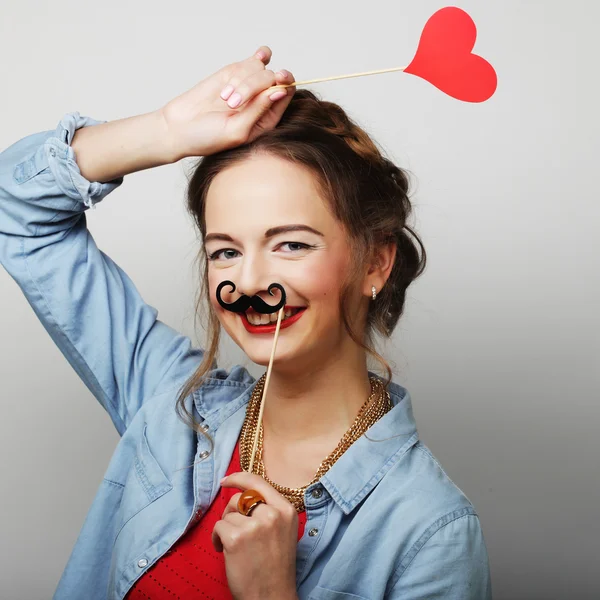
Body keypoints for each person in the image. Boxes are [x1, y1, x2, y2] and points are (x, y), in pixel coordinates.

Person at [0, 46, 492, 599]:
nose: (252, 282)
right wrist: (167, 131)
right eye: (225, 252)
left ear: (376, 261)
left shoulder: (430, 533)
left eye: (290, 244)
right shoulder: (170, 407)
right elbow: (18, 210)